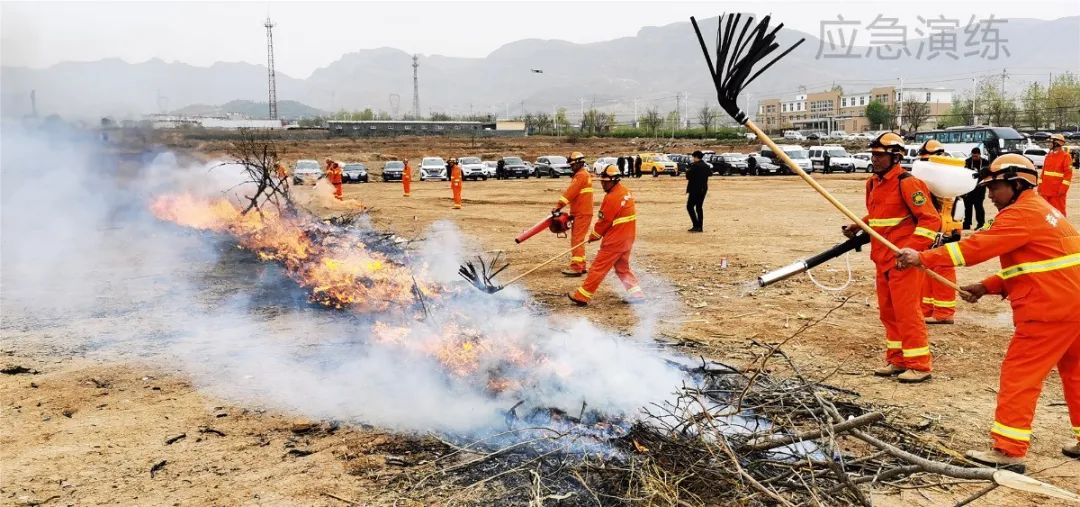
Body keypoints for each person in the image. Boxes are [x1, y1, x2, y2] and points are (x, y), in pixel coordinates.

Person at [896, 153, 1080, 469]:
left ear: (1017, 183)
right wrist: (988, 286)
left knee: (1020, 375)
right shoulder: (1041, 211)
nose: (990, 195)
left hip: (1050, 310)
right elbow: (1039, 265)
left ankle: (1008, 451)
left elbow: (975, 247)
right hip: (1070, 305)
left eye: (995, 187)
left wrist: (923, 258)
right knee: (1076, 374)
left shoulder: (1021, 214)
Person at [843, 132, 941, 384]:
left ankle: (919, 364)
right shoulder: (872, 183)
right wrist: (858, 226)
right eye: (873, 155)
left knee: (907, 313)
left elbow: (931, 219)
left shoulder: (908, 183)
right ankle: (897, 359)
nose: (874, 160)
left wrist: (911, 249)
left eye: (879, 155)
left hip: (903, 261)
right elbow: (878, 216)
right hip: (882, 259)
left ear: (896, 157)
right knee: (888, 313)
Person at [568, 165, 644, 306]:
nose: (603, 183)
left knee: (598, 267)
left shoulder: (612, 197)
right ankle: (637, 294)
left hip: (615, 240)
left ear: (614, 180)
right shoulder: (624, 191)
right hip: (627, 238)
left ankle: (582, 296)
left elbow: (604, 221)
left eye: (606, 181)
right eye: (602, 181)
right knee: (622, 268)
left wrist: (594, 235)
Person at [915, 140, 961, 324]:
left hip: (945, 229)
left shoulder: (946, 180)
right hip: (935, 229)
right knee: (926, 269)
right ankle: (926, 309)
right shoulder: (933, 180)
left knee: (942, 270)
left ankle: (944, 312)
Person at [552, 151, 594, 276]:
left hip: (582, 213)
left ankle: (577, 267)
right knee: (578, 239)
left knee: (577, 240)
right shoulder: (584, 174)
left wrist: (558, 206)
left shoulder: (580, 176)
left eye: (572, 164)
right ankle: (582, 265)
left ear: (577, 163)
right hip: (581, 212)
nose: (571, 167)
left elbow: (570, 193)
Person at [1039, 133, 1073, 216]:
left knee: (1059, 214)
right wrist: (1040, 186)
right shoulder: (1048, 156)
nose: (1049, 144)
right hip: (1045, 191)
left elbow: (1068, 175)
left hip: (1057, 192)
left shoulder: (1066, 156)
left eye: (1051, 142)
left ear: (1057, 143)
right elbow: (1043, 173)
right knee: (1046, 213)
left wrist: (1063, 189)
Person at [962, 147, 989, 230]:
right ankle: (967, 224)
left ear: (979, 155)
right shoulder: (967, 161)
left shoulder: (985, 162)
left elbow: (987, 173)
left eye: (976, 156)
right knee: (967, 207)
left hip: (980, 188)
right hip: (969, 188)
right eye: (973, 156)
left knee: (979, 207)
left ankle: (980, 224)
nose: (974, 158)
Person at [685, 150, 710, 232]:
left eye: (693, 157)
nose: (693, 159)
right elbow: (710, 173)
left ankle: (696, 225)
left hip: (695, 189)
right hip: (703, 189)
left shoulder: (695, 166)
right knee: (699, 207)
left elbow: (688, 176)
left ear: (696, 157)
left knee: (690, 206)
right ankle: (700, 226)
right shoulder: (706, 166)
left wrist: (688, 170)